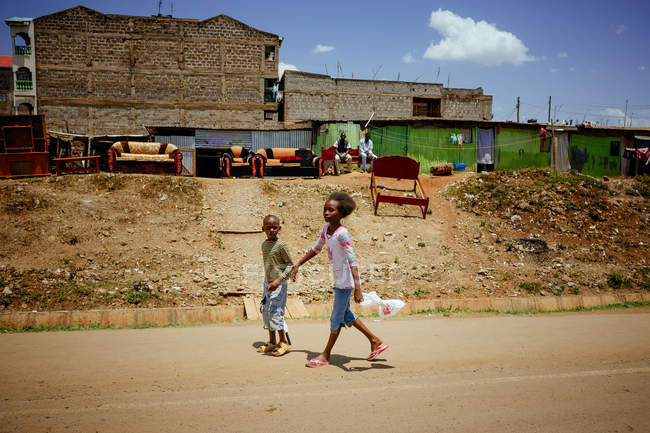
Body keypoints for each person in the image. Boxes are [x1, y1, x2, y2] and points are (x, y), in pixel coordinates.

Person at [291, 192, 388, 367]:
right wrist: (298, 263)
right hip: (338, 279)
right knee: (346, 315)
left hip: (346, 283)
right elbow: (316, 249)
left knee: (336, 319)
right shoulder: (325, 230)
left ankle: (326, 355)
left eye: (331, 210)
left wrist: (358, 288)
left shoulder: (343, 234)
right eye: (325, 209)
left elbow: (353, 261)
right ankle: (374, 340)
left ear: (340, 213)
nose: (326, 213)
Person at [257, 214, 293, 357]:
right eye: (268, 227)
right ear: (263, 229)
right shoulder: (264, 244)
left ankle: (283, 342)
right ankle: (272, 341)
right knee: (266, 312)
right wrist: (268, 282)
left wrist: (278, 280)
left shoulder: (281, 245)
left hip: (278, 284)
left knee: (275, 312)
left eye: (274, 227)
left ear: (279, 228)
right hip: (267, 283)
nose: (271, 230)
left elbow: (290, 265)